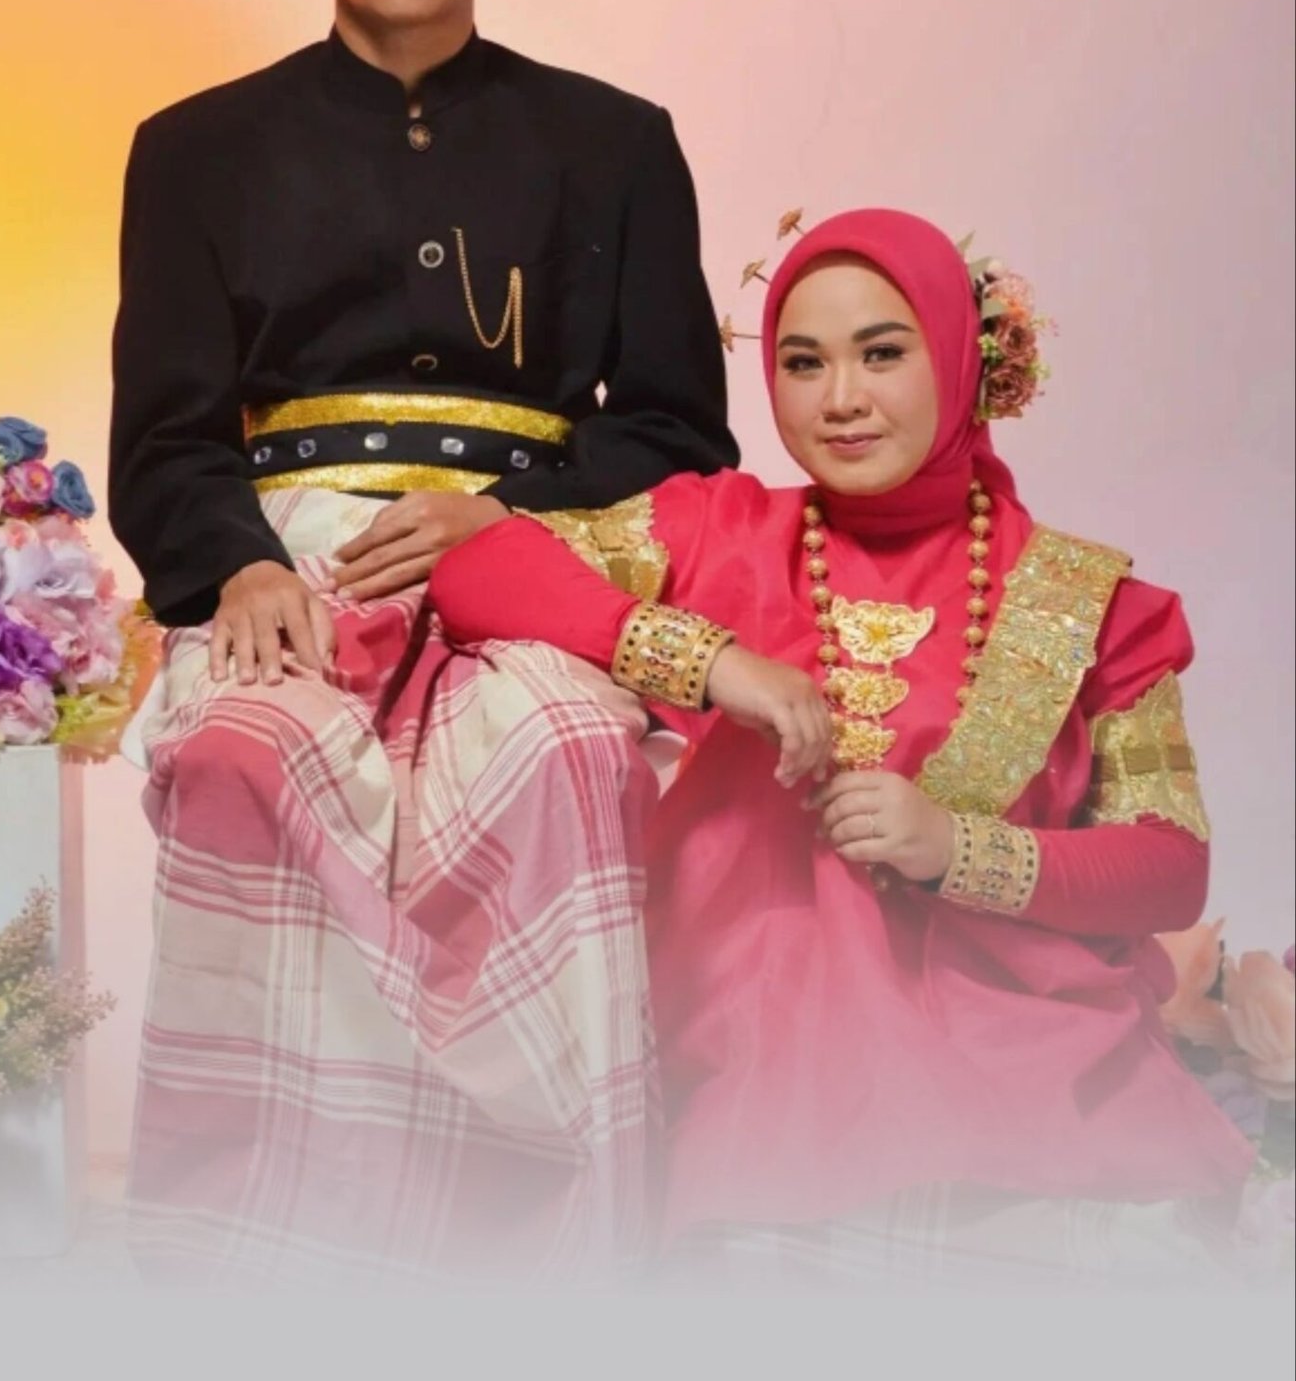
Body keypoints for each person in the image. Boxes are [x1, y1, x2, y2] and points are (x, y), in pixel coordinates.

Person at [109, 0, 740, 1279]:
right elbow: (166, 435)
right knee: (246, 751)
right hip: (293, 564)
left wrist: (504, 512)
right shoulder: (194, 149)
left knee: (577, 746)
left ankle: (549, 1246)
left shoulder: (615, 143)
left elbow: (679, 430)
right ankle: (263, 1252)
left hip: (531, 565)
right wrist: (238, 567)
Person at [430, 208, 1254, 1279]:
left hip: (1041, 1090)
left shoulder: (1091, 603)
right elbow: (482, 568)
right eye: (802, 363)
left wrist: (956, 849)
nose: (841, 400)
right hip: (769, 1081)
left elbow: (1170, 868)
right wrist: (715, 664)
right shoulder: (716, 533)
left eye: (883, 353)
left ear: (962, 360)